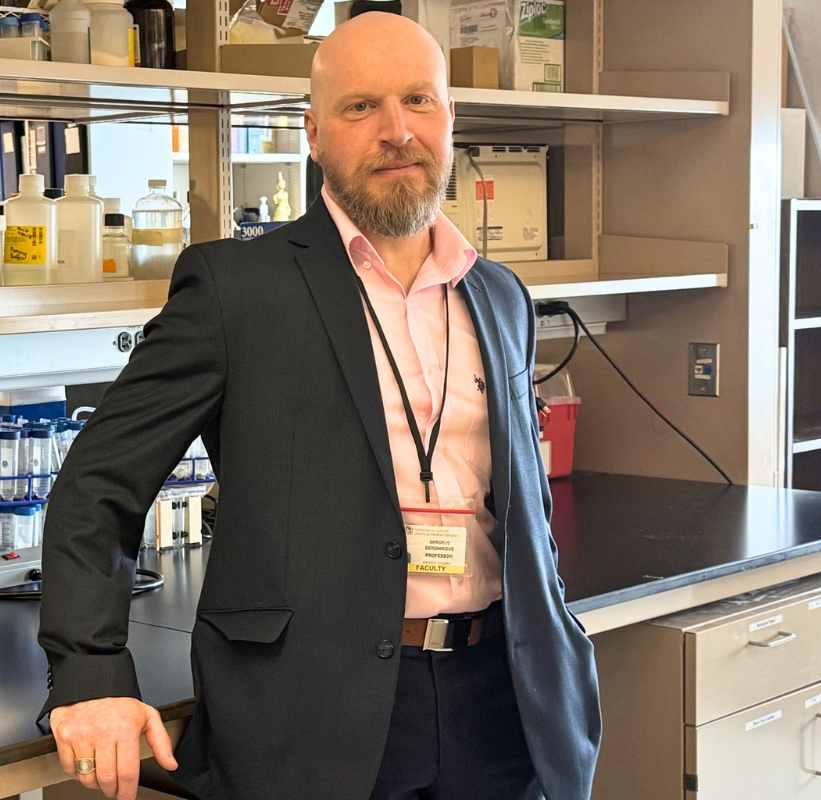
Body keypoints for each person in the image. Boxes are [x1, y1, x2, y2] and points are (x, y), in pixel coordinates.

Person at [37, 12, 599, 800]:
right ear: (312, 133)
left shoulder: (498, 294)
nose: (397, 131)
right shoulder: (236, 290)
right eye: (360, 107)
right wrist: (91, 671)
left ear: (450, 118)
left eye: (418, 101)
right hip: (313, 716)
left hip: (505, 705)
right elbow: (98, 487)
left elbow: (520, 503)